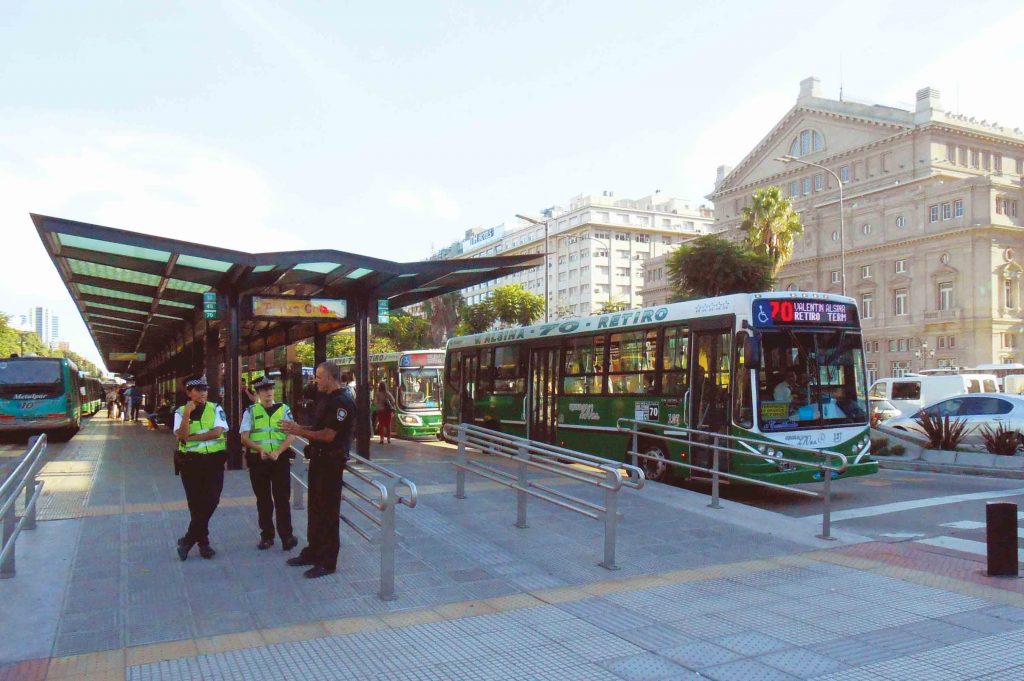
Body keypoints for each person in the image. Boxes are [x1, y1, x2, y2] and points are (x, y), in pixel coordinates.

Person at [280, 361, 356, 579]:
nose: (315, 381)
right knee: (315, 509)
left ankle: (327, 561)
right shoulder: (327, 399)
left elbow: (328, 435)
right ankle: (313, 552)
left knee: (328, 513)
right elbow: (316, 429)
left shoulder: (342, 402)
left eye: (319, 377)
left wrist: (299, 432)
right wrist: (298, 428)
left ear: (331, 378)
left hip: (331, 464)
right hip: (318, 462)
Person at [240, 376, 298, 551]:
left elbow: (292, 434)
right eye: (264, 390)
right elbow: (244, 437)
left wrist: (278, 452)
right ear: (257, 393)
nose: (269, 392)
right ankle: (267, 536)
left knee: (282, 499)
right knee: (263, 500)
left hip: (279, 460)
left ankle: (286, 536)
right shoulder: (250, 412)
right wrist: (260, 450)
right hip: (259, 462)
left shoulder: (284, 409)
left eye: (271, 389)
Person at [173, 374, 228, 561]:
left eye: (205, 389)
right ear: (189, 393)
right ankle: (204, 544)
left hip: (214, 461)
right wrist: (187, 414)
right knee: (196, 504)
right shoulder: (180, 412)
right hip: (190, 462)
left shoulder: (216, 408)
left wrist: (192, 438)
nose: (203, 393)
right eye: (198, 390)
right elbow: (181, 434)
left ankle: (188, 540)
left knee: (212, 499)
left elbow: (217, 432)